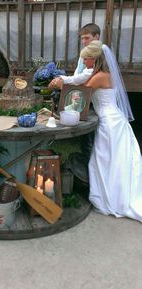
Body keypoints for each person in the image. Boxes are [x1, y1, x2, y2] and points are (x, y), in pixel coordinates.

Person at [80, 40, 142, 221]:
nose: (84, 62)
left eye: (86, 59)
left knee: (105, 160)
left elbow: (80, 93)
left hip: (108, 123)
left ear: (94, 59)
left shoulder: (99, 77)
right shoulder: (106, 74)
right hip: (116, 120)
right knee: (116, 160)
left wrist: (60, 84)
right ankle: (117, 192)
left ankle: (112, 198)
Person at [49, 23, 101, 183]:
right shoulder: (86, 55)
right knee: (87, 138)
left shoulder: (99, 54)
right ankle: (87, 171)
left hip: (92, 99)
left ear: (96, 37)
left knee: (93, 141)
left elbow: (83, 77)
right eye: (82, 38)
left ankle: (89, 174)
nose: (84, 41)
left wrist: (62, 81)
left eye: (87, 38)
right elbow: (79, 73)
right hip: (85, 96)